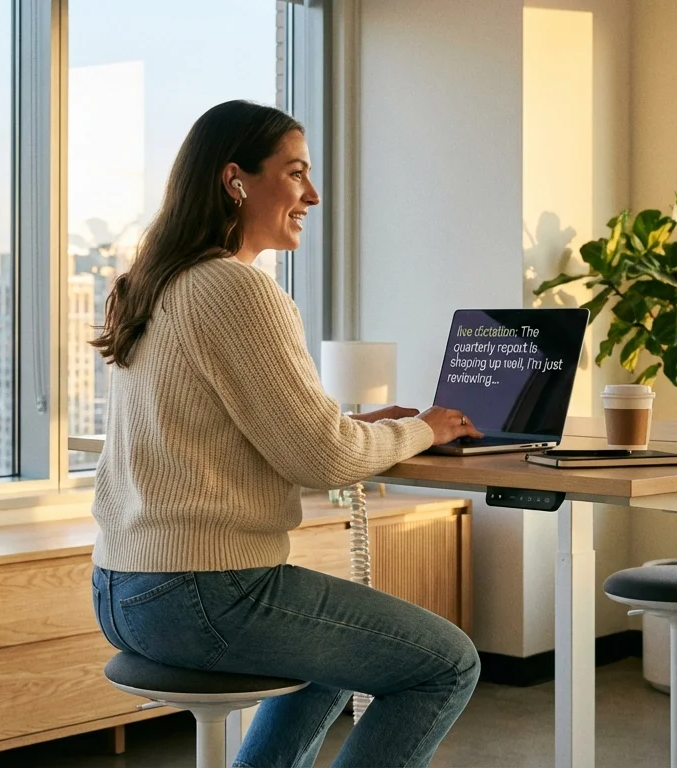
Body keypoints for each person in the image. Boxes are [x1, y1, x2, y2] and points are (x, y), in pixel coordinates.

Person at [88, 99, 484, 768]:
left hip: (124, 589)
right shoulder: (236, 288)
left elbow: (229, 428)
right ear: (235, 179)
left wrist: (357, 426)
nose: (313, 194)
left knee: (333, 655)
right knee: (446, 664)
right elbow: (324, 460)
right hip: (206, 592)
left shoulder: (153, 283)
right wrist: (426, 426)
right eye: (296, 172)